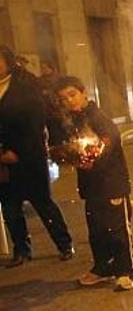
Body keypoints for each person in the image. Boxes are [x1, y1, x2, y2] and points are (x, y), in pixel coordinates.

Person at [53, 76, 133, 290]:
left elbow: (110, 139)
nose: (69, 101)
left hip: (112, 184)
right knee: (97, 230)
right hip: (91, 187)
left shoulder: (97, 116)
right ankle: (103, 268)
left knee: (117, 230)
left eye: (72, 95)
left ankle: (125, 271)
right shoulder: (72, 121)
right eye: (64, 99)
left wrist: (95, 159)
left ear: (84, 93)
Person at [0, 45, 74, 268]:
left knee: (43, 203)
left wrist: (18, 153)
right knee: (10, 207)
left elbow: (35, 123)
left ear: (8, 61)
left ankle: (64, 244)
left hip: (29, 156)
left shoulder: (25, 84)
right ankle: (21, 250)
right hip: (2, 160)